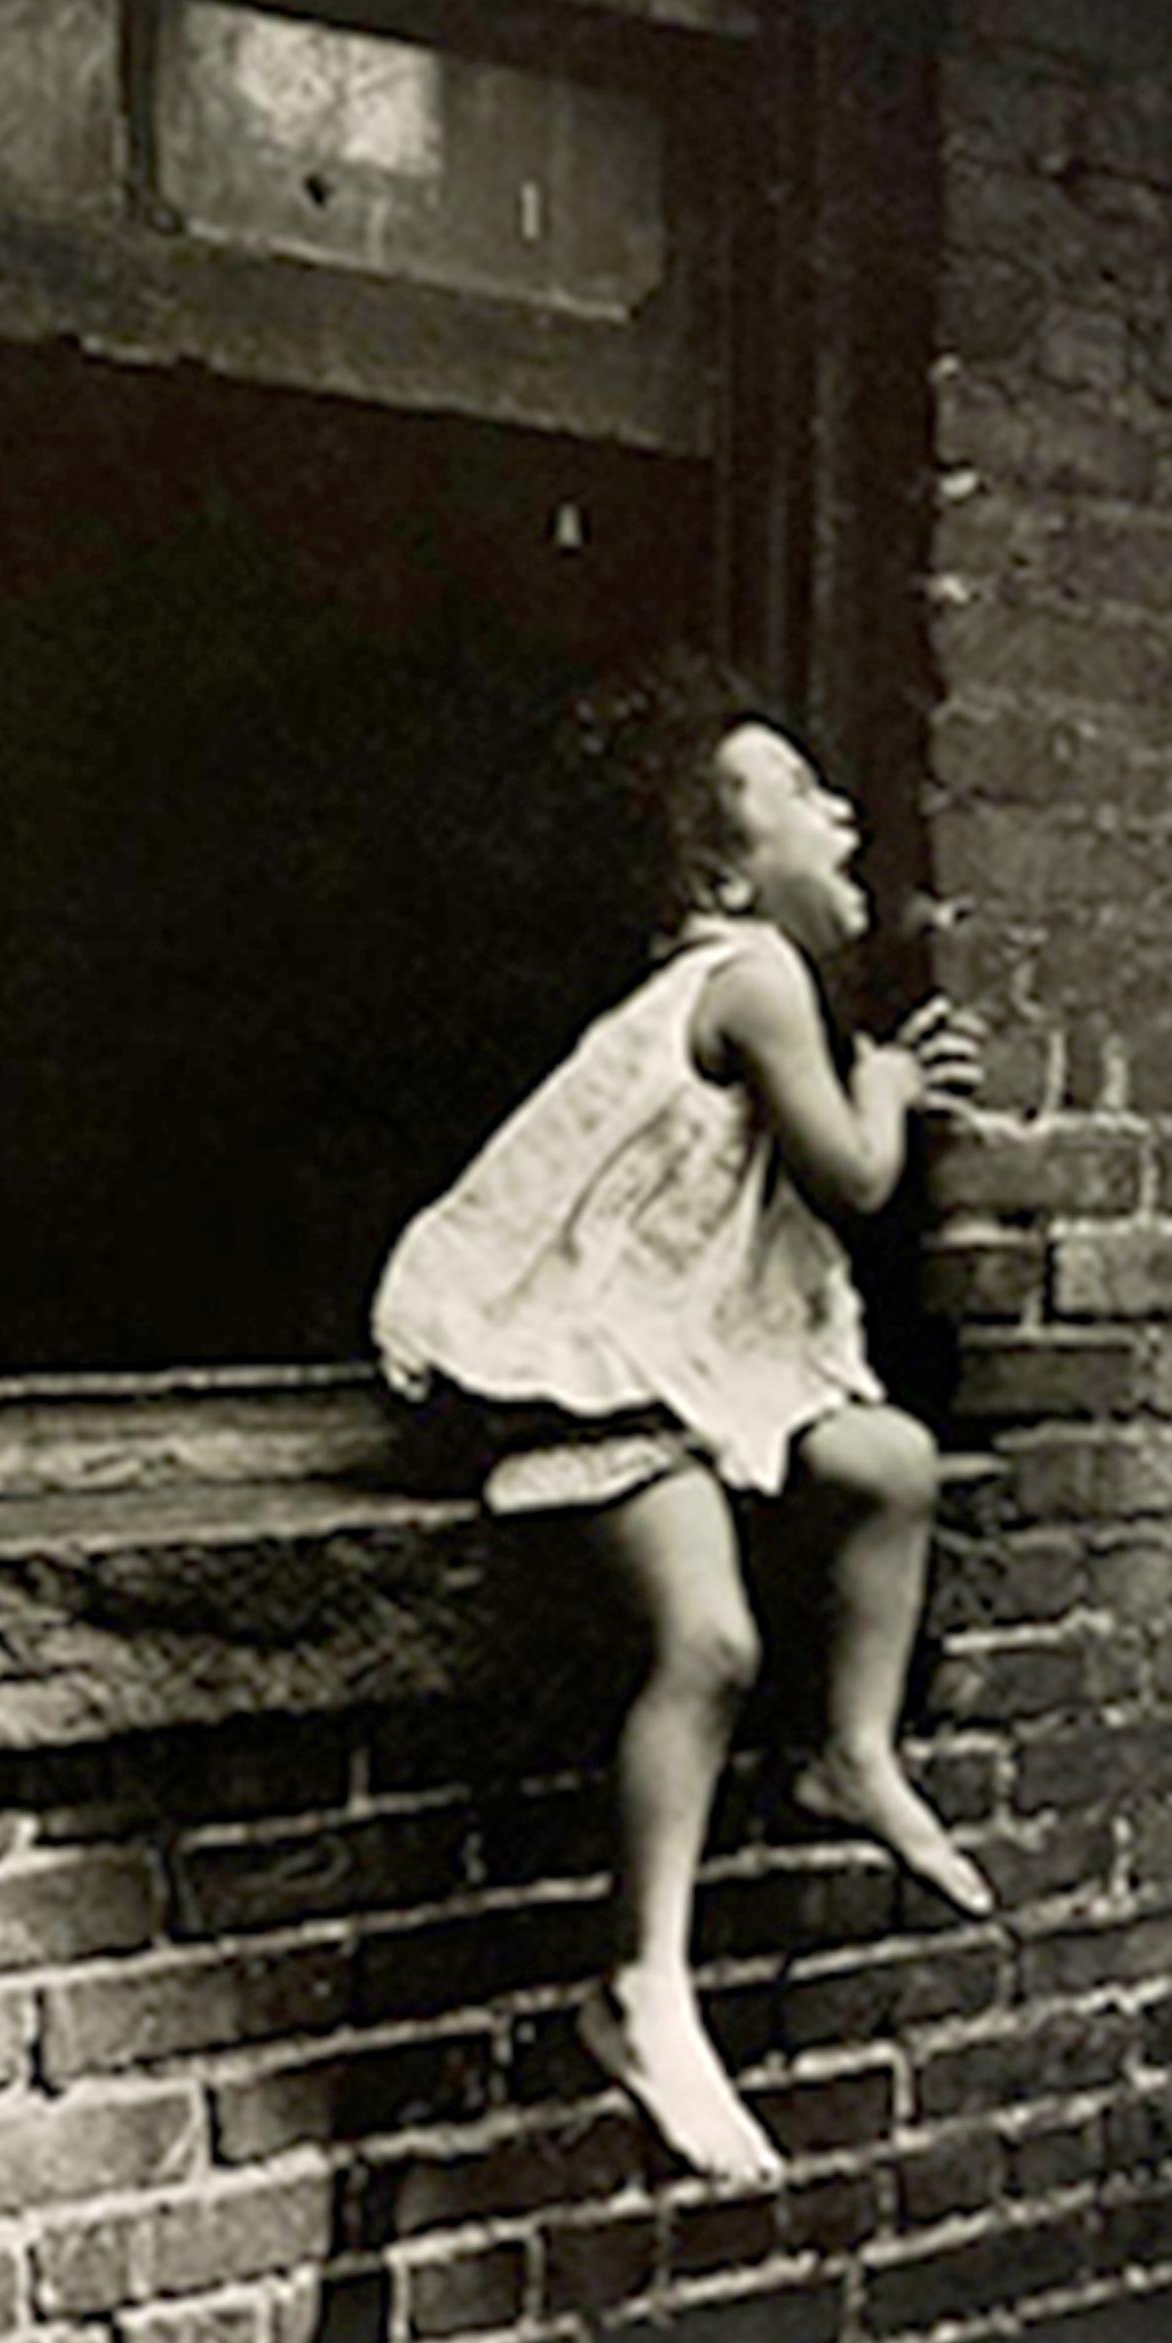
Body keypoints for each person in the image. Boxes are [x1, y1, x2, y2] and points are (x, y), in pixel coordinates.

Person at [371, 655, 994, 2187]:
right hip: (581, 1371)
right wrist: (895, 1084)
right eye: (795, 791)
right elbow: (851, 1176)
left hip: (672, 1355)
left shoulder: (720, 988)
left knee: (891, 1461)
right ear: (721, 869)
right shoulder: (758, 981)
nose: (838, 809)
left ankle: (849, 1751)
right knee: (708, 1642)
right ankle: (643, 1981)